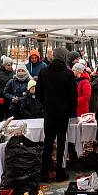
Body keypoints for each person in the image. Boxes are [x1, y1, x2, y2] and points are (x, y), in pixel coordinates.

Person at [35, 47, 77, 182]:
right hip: (63, 114)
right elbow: (73, 96)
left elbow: (38, 94)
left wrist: (46, 105)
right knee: (61, 143)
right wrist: (70, 111)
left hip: (49, 113)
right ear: (64, 57)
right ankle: (59, 172)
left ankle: (44, 173)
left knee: (48, 142)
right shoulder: (68, 74)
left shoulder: (44, 72)